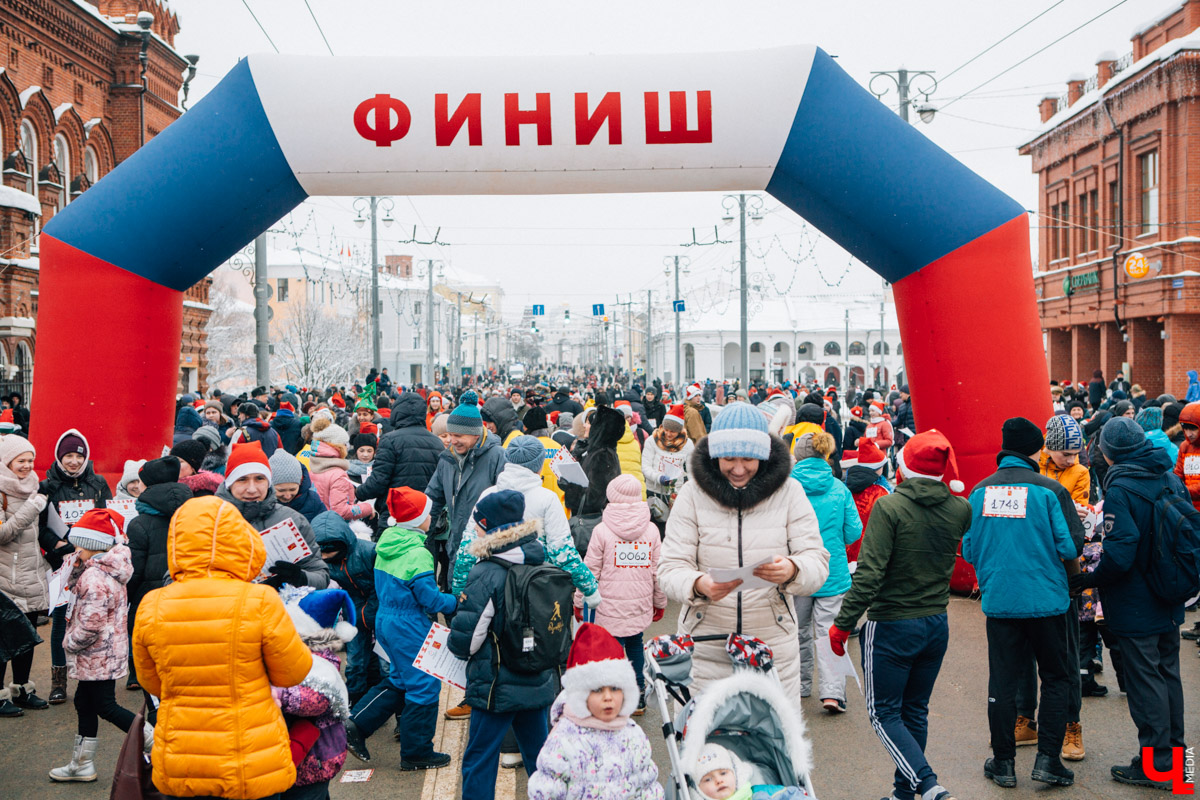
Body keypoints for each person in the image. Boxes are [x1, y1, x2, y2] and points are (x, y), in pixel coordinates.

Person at [133, 495, 314, 800]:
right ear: (240, 540)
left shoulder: (152, 603)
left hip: (184, 756)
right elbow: (292, 673)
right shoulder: (258, 600)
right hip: (250, 755)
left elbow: (151, 682)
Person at [828, 429, 970, 800]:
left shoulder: (889, 508)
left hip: (892, 622)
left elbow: (870, 573)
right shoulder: (960, 507)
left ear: (903, 468)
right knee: (915, 711)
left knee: (883, 713)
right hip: (936, 622)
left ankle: (926, 783)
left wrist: (843, 624)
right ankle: (903, 792)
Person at [657, 403, 829, 706]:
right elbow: (670, 567)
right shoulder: (692, 494)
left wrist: (793, 569)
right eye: (728, 458)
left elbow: (816, 560)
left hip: (771, 645)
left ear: (763, 455)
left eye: (748, 458)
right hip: (706, 646)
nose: (738, 469)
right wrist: (698, 584)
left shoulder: (790, 492)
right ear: (714, 456)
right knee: (704, 747)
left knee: (771, 747)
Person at [962, 417, 1082, 789]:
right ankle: (1048, 760)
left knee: (1003, 681)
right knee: (1057, 677)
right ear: (1035, 450)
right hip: (1048, 601)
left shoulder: (980, 492)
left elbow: (968, 549)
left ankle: (1003, 763)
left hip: (1001, 602)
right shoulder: (1049, 491)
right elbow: (1070, 546)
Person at [1071, 417, 1188, 789]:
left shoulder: (1122, 487)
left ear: (1109, 452)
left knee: (1145, 683)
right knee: (1169, 676)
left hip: (1137, 602)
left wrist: (1087, 580)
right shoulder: (1169, 476)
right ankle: (1178, 764)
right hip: (1170, 593)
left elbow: (1120, 556)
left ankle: (1157, 766)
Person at [448, 490, 554, 798]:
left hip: (496, 683)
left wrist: (453, 645)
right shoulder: (540, 561)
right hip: (537, 676)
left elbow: (467, 640)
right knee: (541, 759)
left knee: (480, 758)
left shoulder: (486, 572)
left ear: (487, 525)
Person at [343, 488, 457, 770]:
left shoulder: (387, 542)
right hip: (408, 623)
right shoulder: (418, 552)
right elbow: (429, 598)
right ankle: (417, 752)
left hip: (386, 619)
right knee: (424, 686)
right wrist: (455, 600)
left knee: (399, 680)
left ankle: (356, 724)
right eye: (427, 512)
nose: (431, 517)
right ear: (418, 520)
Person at [452, 436, 599, 605]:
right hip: (535, 587)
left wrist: (459, 591)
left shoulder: (489, 494)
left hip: (490, 585)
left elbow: (467, 547)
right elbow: (562, 552)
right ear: (539, 466)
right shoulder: (547, 499)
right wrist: (590, 588)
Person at [46, 509, 136, 782]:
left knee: (106, 706)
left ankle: (155, 741)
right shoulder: (101, 570)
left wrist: (69, 643)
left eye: (79, 543)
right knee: (85, 702)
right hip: (104, 652)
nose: (75, 548)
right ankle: (82, 764)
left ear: (93, 545)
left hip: (97, 654)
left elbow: (90, 624)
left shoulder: (95, 579)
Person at [526, 623, 663, 800]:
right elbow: (545, 792)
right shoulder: (563, 741)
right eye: (597, 690)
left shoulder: (633, 735)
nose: (608, 697)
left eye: (615, 688)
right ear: (581, 694)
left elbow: (647, 787)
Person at [573, 474, 666, 712]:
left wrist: (579, 601)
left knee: (610, 651)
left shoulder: (602, 531)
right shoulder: (652, 531)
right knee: (636, 644)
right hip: (639, 603)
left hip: (607, 605)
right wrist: (660, 601)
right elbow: (658, 572)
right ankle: (639, 695)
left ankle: (612, 697)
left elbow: (590, 570)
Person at [39, 428, 112, 706]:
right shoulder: (47, 487)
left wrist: (93, 548)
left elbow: (107, 518)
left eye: (77, 456)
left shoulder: (99, 483)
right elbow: (40, 527)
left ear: (86, 457)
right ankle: (58, 680)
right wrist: (58, 545)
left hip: (93, 562)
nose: (73, 461)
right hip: (61, 562)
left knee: (93, 619)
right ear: (59, 457)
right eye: (68, 456)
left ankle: (90, 678)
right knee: (60, 620)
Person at [789, 431, 861, 712]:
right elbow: (854, 531)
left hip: (796, 571)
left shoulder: (786, 489)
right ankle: (832, 694)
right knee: (829, 632)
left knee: (796, 632)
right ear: (825, 455)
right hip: (832, 570)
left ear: (798, 456)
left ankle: (799, 684)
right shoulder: (839, 488)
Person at [215, 442, 330, 590]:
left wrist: (300, 577)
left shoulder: (293, 520)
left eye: (259, 479)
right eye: (242, 479)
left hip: (276, 608)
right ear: (229, 483)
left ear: (269, 482)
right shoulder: (207, 520)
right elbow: (178, 577)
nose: (252, 489)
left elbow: (321, 575)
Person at [276, 587, 356, 800]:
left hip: (314, 757)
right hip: (294, 755)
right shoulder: (287, 655)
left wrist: (279, 695)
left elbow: (316, 700)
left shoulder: (321, 662)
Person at [125, 457, 192, 691]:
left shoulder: (139, 523)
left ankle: (136, 675)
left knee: (141, 635)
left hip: (147, 595)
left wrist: (127, 594)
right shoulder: (192, 512)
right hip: (184, 591)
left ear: (148, 486)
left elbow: (134, 569)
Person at [427, 391, 508, 573]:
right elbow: (432, 499)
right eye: (450, 435)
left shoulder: (497, 456)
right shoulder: (447, 459)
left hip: (487, 553)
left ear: (475, 434)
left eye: (459, 436)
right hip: (456, 548)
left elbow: (506, 504)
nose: (452, 441)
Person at [0, 434, 50, 715]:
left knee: (27, 637)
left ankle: (22, 690)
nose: (27, 466)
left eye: (30, 460)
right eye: (21, 461)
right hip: (5, 577)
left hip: (31, 574)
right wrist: (31, 509)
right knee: (4, 640)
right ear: (7, 462)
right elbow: (2, 533)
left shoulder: (34, 487)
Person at [312, 512, 377, 705]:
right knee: (355, 661)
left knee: (385, 663)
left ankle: (382, 701)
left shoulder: (368, 552)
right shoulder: (323, 562)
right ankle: (355, 702)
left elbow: (382, 585)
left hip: (378, 605)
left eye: (329, 552)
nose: (325, 556)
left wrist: (367, 613)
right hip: (353, 611)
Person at [308, 418, 376, 525]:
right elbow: (341, 511)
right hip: (334, 526)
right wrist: (367, 508)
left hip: (317, 523)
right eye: (345, 444)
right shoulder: (338, 474)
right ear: (338, 446)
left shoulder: (315, 466)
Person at [641, 404, 693, 529]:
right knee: (654, 528)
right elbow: (645, 466)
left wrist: (689, 489)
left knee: (674, 528)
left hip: (676, 493)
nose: (669, 434)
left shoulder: (688, 444)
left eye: (673, 431)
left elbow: (692, 470)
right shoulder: (652, 440)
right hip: (654, 491)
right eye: (666, 429)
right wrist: (659, 478)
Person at [841, 439, 891, 566]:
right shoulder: (881, 492)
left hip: (845, 551)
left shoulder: (844, 488)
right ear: (877, 468)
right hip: (870, 553)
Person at [271, 450, 327, 523]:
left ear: (300, 483)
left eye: (292, 489)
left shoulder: (313, 500)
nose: (287, 496)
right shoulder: (262, 504)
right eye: (281, 490)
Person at [1174, 401, 1200, 511]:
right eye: (1185, 429)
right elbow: (1178, 474)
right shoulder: (1185, 446)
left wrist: (1182, 491)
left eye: (1193, 429)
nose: (1189, 433)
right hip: (1188, 508)